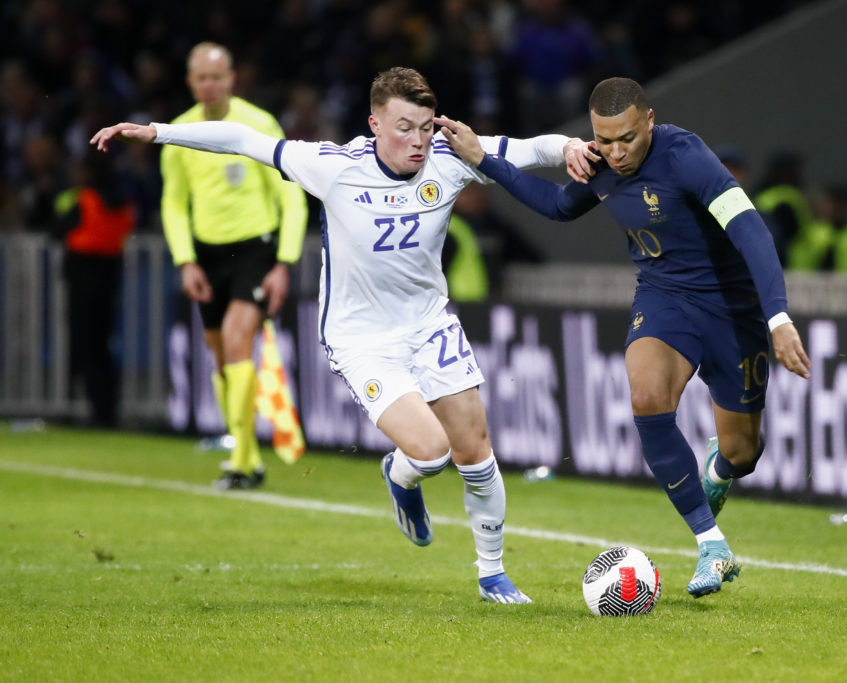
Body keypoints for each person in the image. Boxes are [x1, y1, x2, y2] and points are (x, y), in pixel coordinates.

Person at [91, 66, 595, 604]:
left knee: (476, 453)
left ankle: (492, 574)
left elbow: (528, 148)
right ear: (374, 123)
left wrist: (569, 146)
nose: (419, 141)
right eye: (405, 127)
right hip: (361, 338)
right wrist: (159, 131)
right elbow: (243, 139)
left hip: (429, 325)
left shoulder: (452, 157)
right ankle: (401, 478)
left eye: (426, 126)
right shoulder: (333, 166)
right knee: (430, 453)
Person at [436, 77, 811, 599]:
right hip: (664, 298)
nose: (615, 152)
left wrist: (778, 319)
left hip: (734, 310)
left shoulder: (687, 157)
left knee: (742, 452)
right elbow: (557, 207)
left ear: (649, 121)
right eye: (604, 140)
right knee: (647, 398)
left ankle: (720, 468)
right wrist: (484, 159)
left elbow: (750, 230)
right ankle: (712, 545)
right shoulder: (601, 164)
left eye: (627, 139)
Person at [159, 42, 308, 490]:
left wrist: (284, 261)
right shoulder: (179, 133)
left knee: (237, 338)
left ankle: (241, 462)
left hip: (254, 248)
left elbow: (290, 194)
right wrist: (185, 260)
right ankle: (248, 453)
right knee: (222, 358)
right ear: (191, 82)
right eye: (201, 78)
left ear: (231, 78)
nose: (209, 85)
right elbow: (173, 204)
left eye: (216, 77)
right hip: (207, 253)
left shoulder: (258, 124)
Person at [52, 152, 136, 426]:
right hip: (109, 279)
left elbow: (56, 229)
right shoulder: (122, 201)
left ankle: (92, 408)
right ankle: (105, 406)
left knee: (85, 346)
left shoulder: (85, 200)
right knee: (102, 346)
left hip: (83, 280)